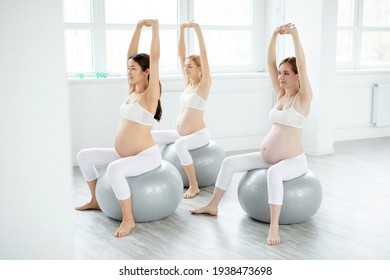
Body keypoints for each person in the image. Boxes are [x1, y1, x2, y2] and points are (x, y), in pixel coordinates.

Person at [191, 23, 313, 245]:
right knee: (228, 162)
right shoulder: (280, 95)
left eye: (287, 73)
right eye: (280, 73)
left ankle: (274, 227)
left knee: (273, 175)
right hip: (268, 157)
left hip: (293, 161)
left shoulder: (302, 100)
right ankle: (213, 205)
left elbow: (303, 65)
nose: (281, 77)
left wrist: (295, 35)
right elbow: (269, 63)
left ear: (297, 77)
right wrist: (274, 35)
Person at [76, 19, 162, 238]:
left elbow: (156, 57)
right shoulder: (132, 91)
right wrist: (137, 28)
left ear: (147, 72)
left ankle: (128, 219)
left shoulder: (150, 96)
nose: (129, 72)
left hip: (146, 156)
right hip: (123, 154)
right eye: (128, 69)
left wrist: (155, 30)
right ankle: (95, 200)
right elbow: (130, 55)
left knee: (114, 169)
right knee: (83, 156)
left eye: (133, 69)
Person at [152, 21, 212, 199]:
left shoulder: (204, 85)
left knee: (179, 145)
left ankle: (194, 185)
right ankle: (154, 172)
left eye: (189, 66)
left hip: (199, 135)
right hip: (183, 133)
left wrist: (197, 30)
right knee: (151, 136)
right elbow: (180, 54)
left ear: (199, 69)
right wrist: (182, 30)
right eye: (185, 66)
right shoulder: (188, 84)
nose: (185, 68)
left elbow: (204, 54)